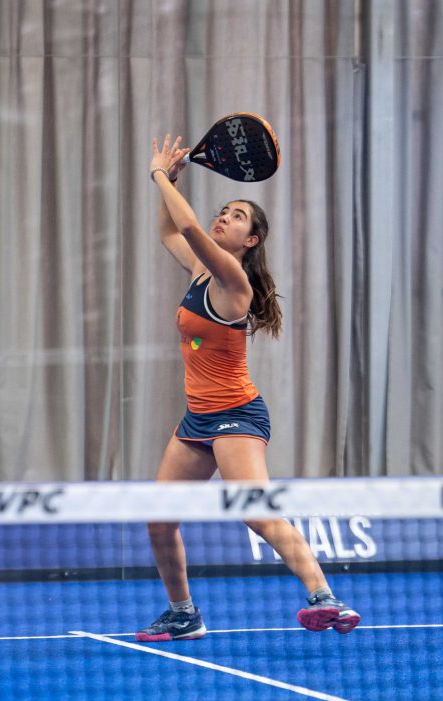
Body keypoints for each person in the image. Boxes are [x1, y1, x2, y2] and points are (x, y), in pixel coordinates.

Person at [136, 133, 360, 642]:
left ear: (251, 240)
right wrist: (171, 184)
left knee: (255, 512)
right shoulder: (202, 268)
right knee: (158, 519)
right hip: (198, 418)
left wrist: (158, 173)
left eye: (236, 216)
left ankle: (325, 597)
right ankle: (183, 614)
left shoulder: (233, 280)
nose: (224, 217)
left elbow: (188, 226)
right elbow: (171, 231)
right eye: (224, 210)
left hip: (237, 415)